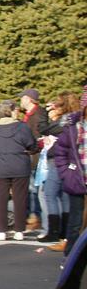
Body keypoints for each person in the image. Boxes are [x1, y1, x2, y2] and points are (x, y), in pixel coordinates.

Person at [0, 99, 36, 241]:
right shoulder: (22, 127)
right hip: (19, 164)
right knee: (20, 199)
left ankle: (1, 230)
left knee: (0, 199)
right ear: (13, 110)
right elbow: (31, 145)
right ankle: (19, 230)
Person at [35, 94, 75, 243]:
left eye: (55, 106)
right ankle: (64, 231)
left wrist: (44, 112)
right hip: (69, 161)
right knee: (65, 196)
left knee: (49, 193)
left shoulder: (65, 120)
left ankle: (54, 231)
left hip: (59, 160)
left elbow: (44, 129)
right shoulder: (74, 119)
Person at [52, 85, 87, 255]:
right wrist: (66, 173)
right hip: (77, 179)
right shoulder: (74, 127)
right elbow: (61, 152)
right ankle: (70, 256)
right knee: (76, 221)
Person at [19, 89, 46, 230]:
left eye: (22, 98)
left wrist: (31, 148)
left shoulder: (38, 114)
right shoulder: (29, 115)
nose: (20, 101)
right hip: (29, 154)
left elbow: (39, 135)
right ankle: (33, 215)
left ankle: (37, 217)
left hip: (34, 155)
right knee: (31, 188)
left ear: (29, 99)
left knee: (34, 188)